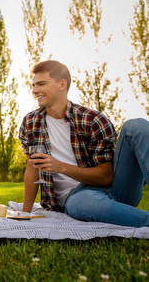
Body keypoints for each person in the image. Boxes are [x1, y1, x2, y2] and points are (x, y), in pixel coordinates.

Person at [19, 60, 149, 227]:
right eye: (34, 85)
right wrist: (25, 213)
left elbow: (106, 176)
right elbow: (32, 170)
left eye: (41, 84)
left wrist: (60, 167)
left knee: (135, 126)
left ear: (62, 84)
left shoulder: (92, 120)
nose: (34, 90)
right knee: (81, 202)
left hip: (117, 189)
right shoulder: (31, 122)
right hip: (76, 197)